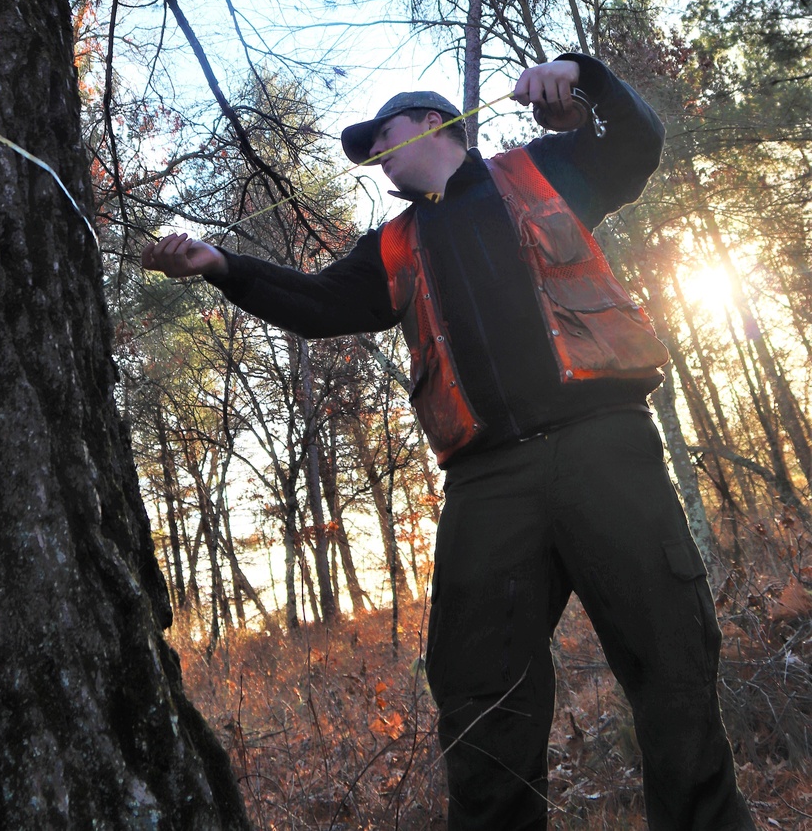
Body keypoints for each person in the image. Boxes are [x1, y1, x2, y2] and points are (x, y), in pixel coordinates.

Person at [142, 54, 753, 831]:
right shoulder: (393, 246)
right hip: (488, 483)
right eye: (366, 151)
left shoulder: (543, 169)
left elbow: (637, 143)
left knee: (672, 668)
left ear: (433, 123)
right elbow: (317, 304)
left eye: (382, 136)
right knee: (477, 694)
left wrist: (583, 76)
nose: (375, 155)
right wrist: (221, 265)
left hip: (604, 445)